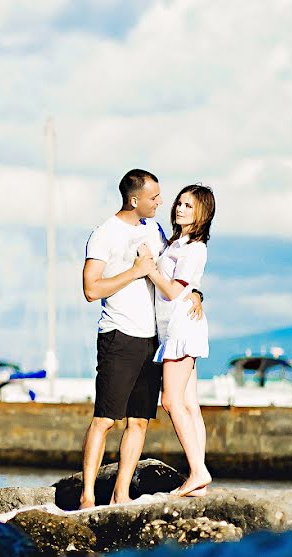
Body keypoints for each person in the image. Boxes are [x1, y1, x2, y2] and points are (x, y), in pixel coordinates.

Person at [80, 169, 203, 509]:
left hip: (153, 339)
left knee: (139, 421)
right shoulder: (104, 234)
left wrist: (196, 294)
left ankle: (121, 494)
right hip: (119, 335)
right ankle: (88, 495)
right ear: (135, 200)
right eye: (154, 198)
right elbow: (91, 289)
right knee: (105, 419)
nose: (161, 203)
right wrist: (134, 271)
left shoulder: (155, 229)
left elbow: (172, 276)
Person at [140, 184, 215, 497]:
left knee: (171, 400)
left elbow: (173, 290)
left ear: (202, 213)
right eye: (179, 203)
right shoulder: (177, 242)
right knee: (189, 404)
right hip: (175, 326)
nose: (180, 209)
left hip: (183, 328)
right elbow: (188, 288)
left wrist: (148, 266)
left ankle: (198, 472)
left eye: (188, 206)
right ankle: (199, 473)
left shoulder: (194, 248)